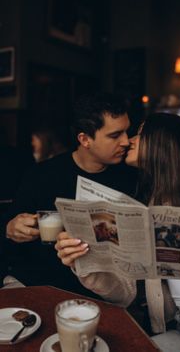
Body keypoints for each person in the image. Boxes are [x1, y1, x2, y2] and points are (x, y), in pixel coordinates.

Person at [55, 113, 180, 351]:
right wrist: (84, 262)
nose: (130, 140)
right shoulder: (142, 208)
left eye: (139, 134)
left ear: (165, 141)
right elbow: (125, 293)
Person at [1, 93, 137, 294]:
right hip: (37, 281)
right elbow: (10, 224)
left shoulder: (130, 177)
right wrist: (10, 228)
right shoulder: (43, 174)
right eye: (115, 135)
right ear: (84, 139)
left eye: (127, 131)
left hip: (99, 290)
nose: (126, 141)